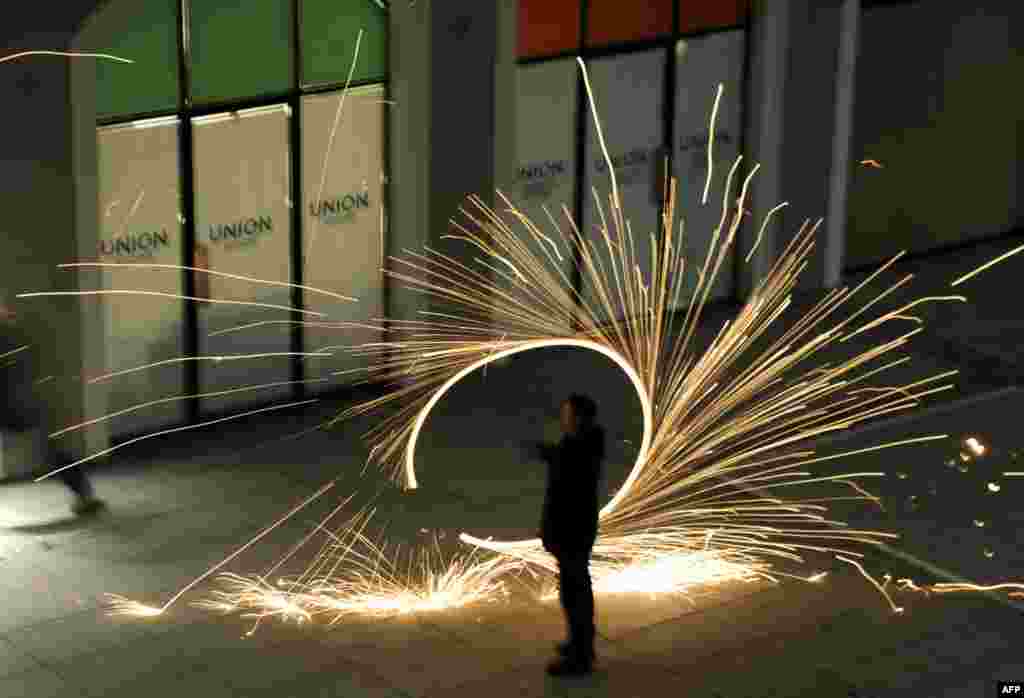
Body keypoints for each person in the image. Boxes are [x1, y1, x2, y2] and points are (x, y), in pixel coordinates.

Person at [0, 300, 104, 516]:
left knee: (52, 450)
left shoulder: (11, 335)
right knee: (53, 450)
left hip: (17, 403)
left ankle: (84, 495)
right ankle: (85, 495)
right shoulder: (18, 334)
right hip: (25, 401)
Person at [529, 393, 605, 677]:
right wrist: (550, 454)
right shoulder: (585, 442)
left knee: (574, 593)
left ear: (580, 420)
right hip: (576, 529)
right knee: (574, 588)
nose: (563, 419)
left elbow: (565, 490)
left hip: (572, 531)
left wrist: (550, 530)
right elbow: (567, 461)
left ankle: (580, 656)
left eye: (568, 415)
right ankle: (579, 643)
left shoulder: (577, 450)